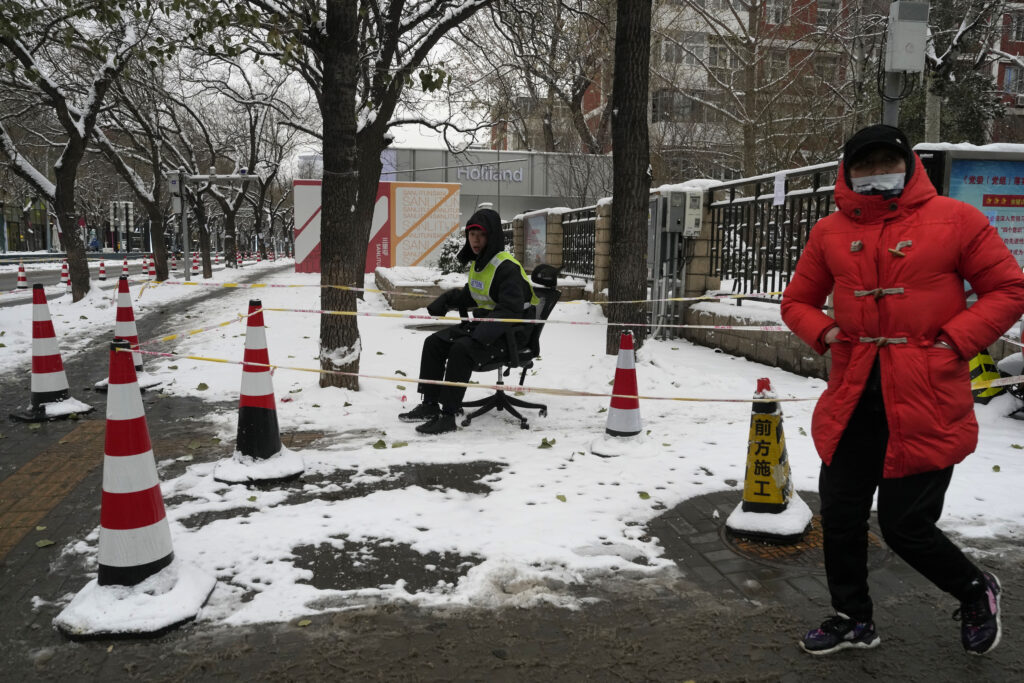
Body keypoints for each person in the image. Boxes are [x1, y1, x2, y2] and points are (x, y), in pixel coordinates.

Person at [781, 124, 1024, 656]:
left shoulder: (958, 219)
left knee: (905, 525)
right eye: (863, 165)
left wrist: (954, 342)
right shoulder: (828, 232)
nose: (874, 173)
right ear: (846, 173)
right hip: (852, 397)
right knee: (841, 515)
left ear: (909, 165)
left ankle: (975, 590)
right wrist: (825, 332)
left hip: (927, 397)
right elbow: (796, 301)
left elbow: (1008, 288)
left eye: (885, 162)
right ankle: (852, 617)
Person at [399, 207, 538, 435]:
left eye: (481, 235)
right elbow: (471, 294)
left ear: (492, 236)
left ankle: (448, 415)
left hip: (513, 334)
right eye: (472, 234)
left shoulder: (507, 267)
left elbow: (510, 310)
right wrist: (444, 301)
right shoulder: (480, 264)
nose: (475, 240)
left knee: (461, 349)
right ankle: (429, 404)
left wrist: (481, 333)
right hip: (488, 328)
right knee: (434, 342)